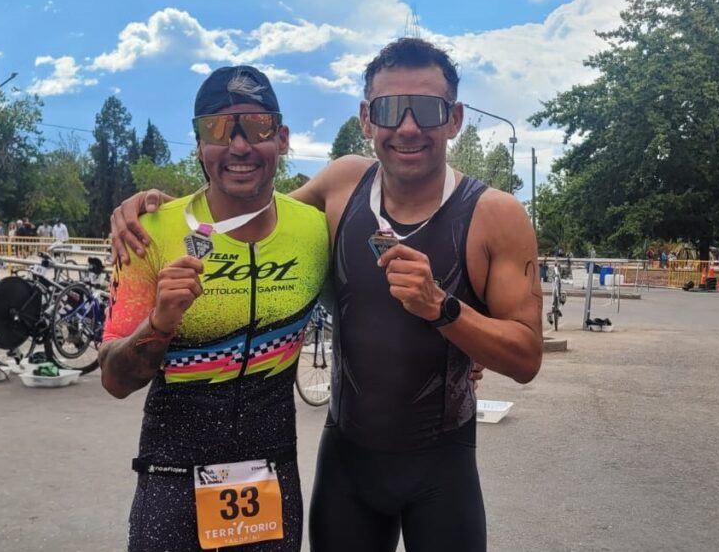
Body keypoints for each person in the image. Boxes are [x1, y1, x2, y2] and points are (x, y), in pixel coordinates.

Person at [111, 38, 543, 552]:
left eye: (427, 109)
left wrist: (444, 309)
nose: (408, 127)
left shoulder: (496, 215)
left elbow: (525, 358)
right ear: (366, 118)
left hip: (442, 472)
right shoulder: (341, 185)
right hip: (348, 470)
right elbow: (252, 215)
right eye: (389, 109)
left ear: (454, 119)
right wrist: (155, 211)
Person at [99, 65, 329, 551]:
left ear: (283, 138)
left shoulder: (315, 231)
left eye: (257, 126)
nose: (239, 145)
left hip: (271, 477)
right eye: (218, 129)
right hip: (170, 479)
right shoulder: (149, 232)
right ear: (199, 144)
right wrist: (159, 323)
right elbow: (114, 380)